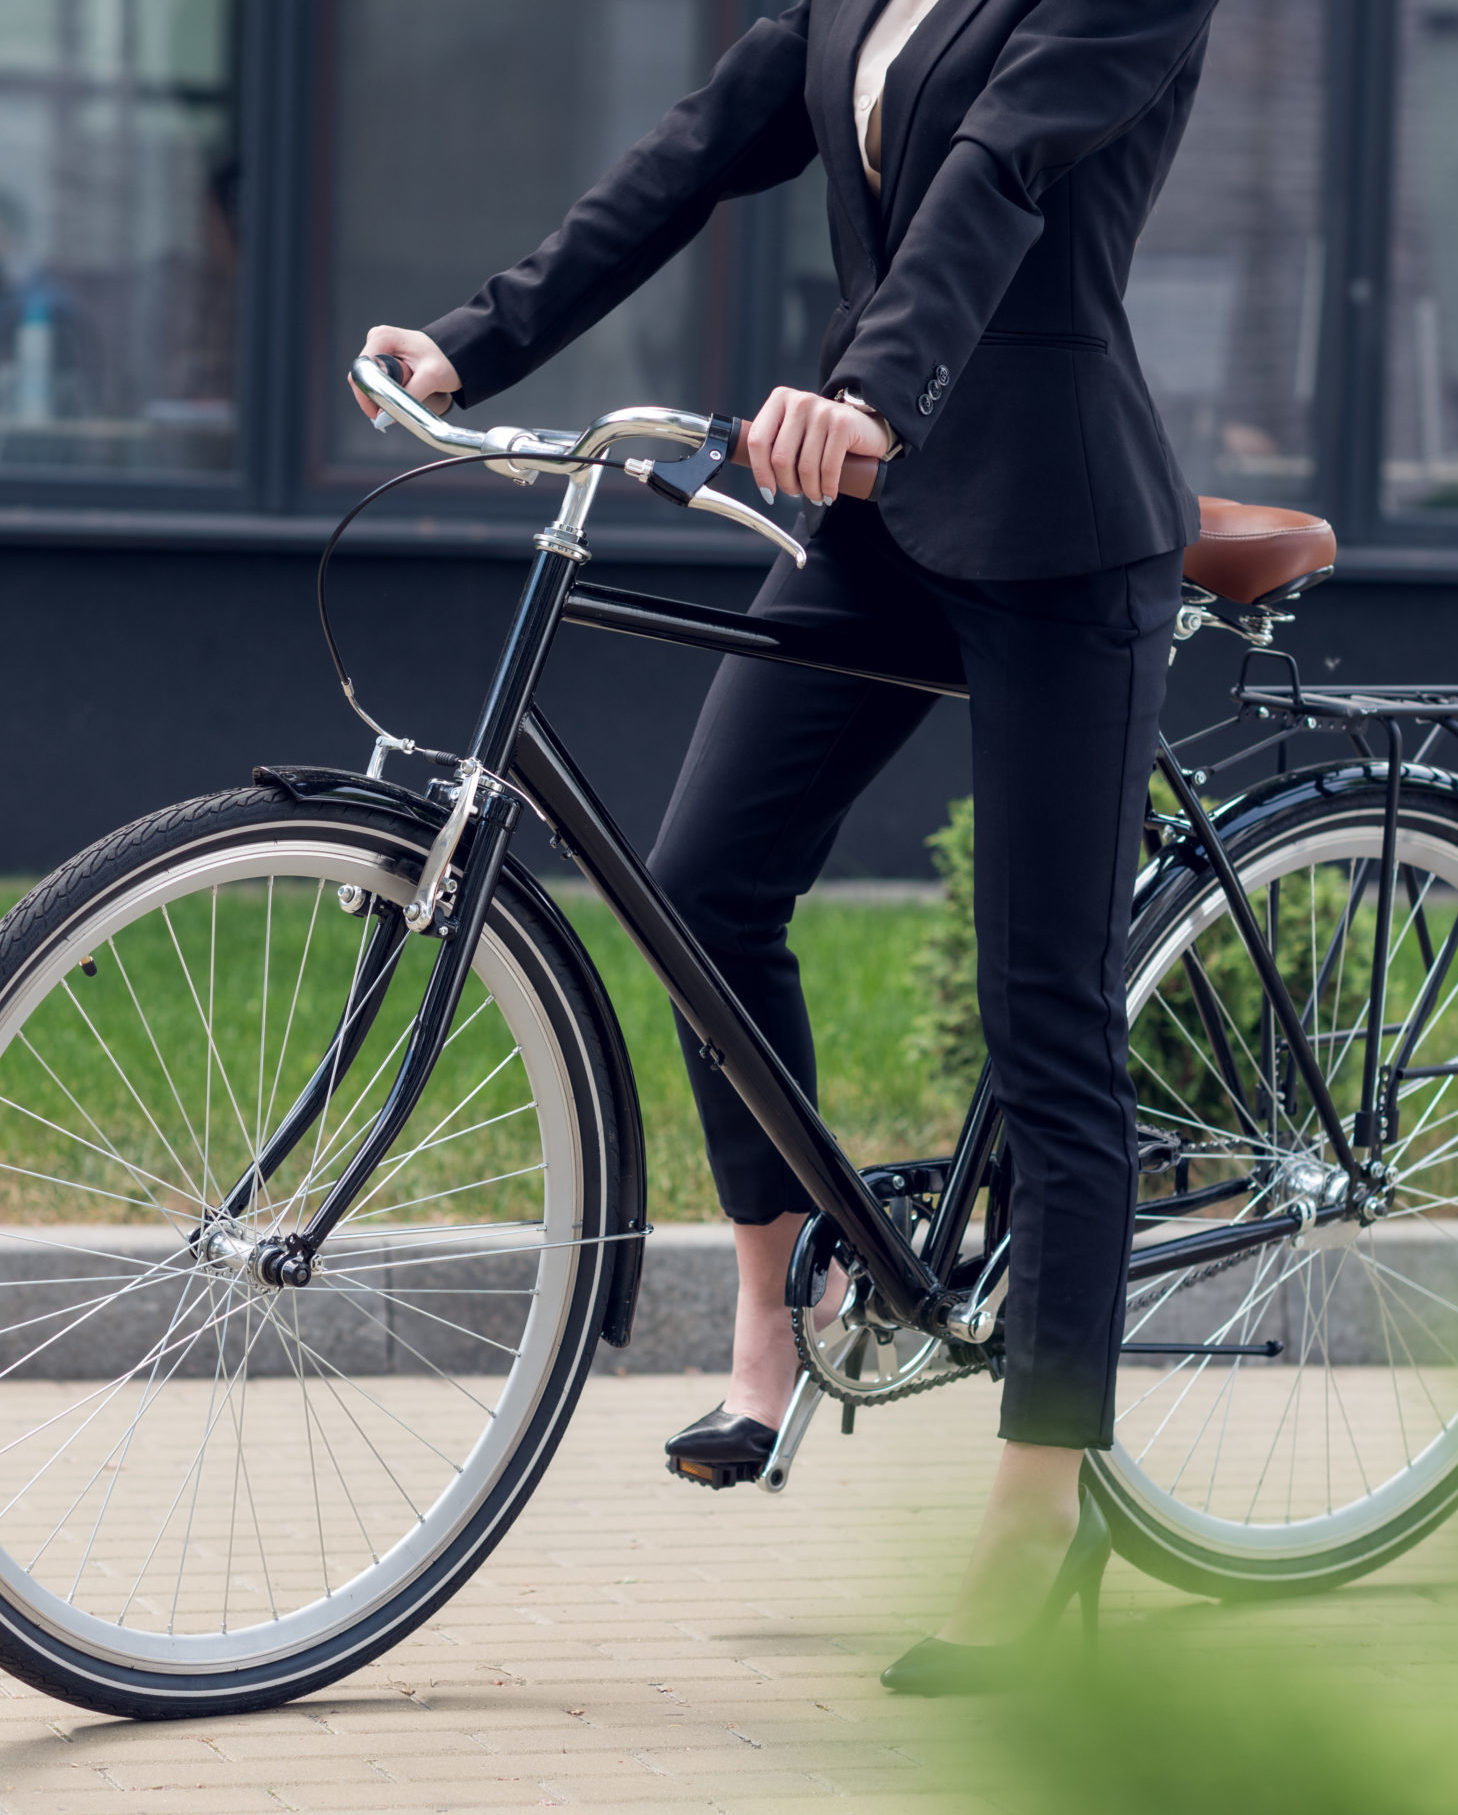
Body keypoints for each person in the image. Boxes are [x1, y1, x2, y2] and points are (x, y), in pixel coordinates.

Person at [354, 0, 1221, 1695]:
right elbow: (694, 151)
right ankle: (778, 1311)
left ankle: (1039, 1522)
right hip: (882, 519)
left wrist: (865, 389)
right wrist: (478, 339)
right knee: (703, 888)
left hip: (1055, 527)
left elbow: (1000, 175)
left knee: (1049, 1019)